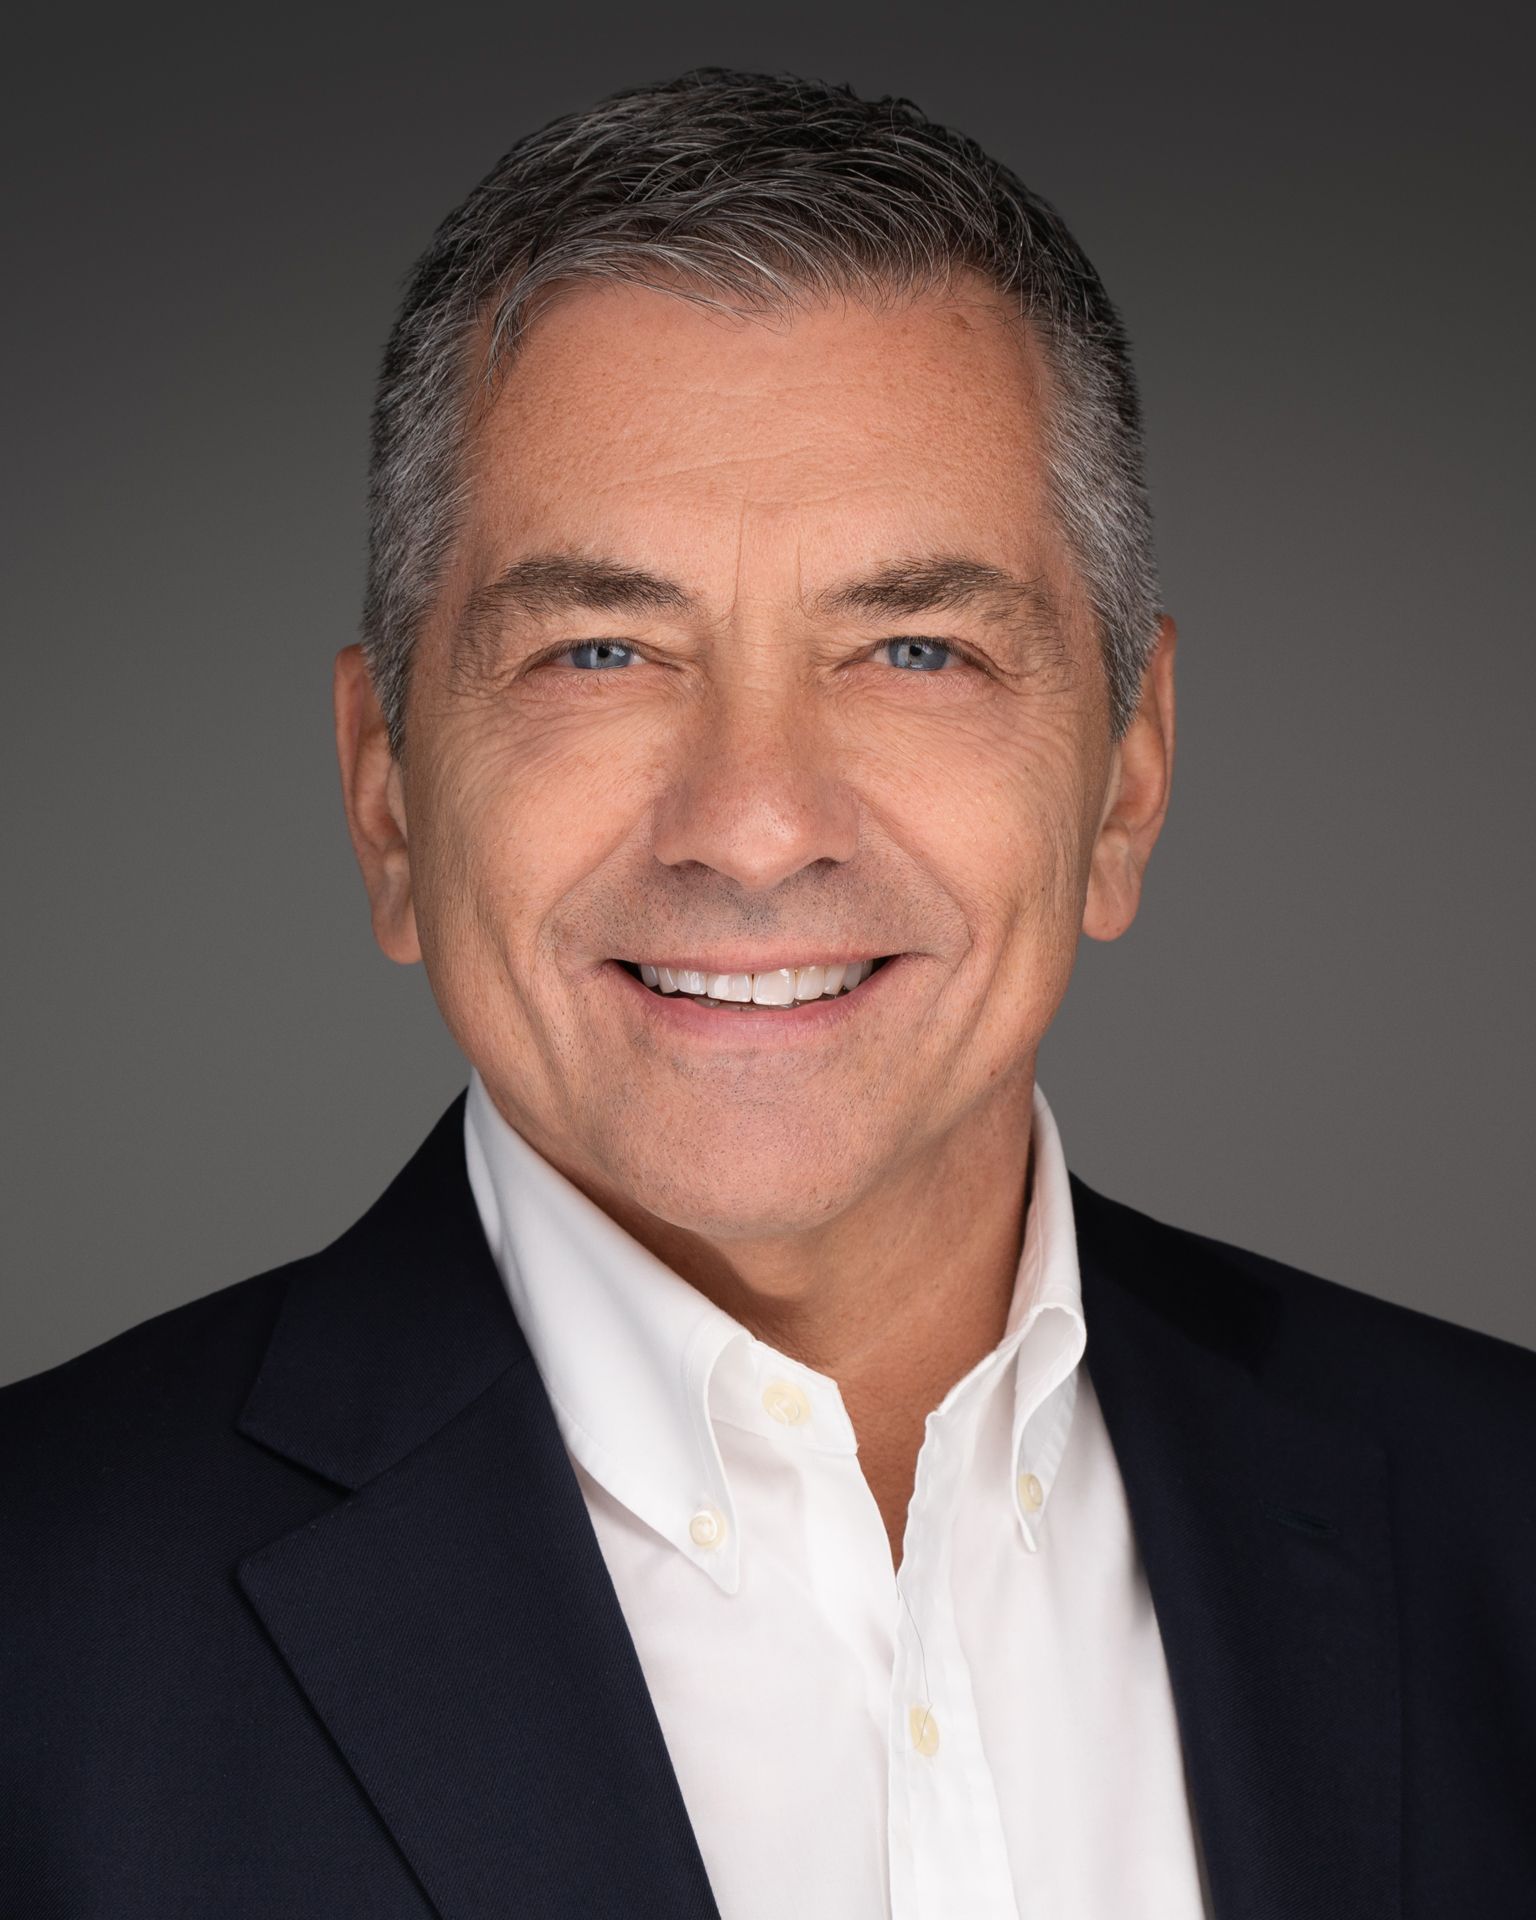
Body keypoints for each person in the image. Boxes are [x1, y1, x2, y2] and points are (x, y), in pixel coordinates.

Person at [3, 66, 1532, 1920]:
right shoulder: (38, 1621)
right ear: (387, 797)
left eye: (912, 647)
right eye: (600, 648)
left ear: (1127, 779)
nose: (751, 824)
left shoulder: (1498, 1523)